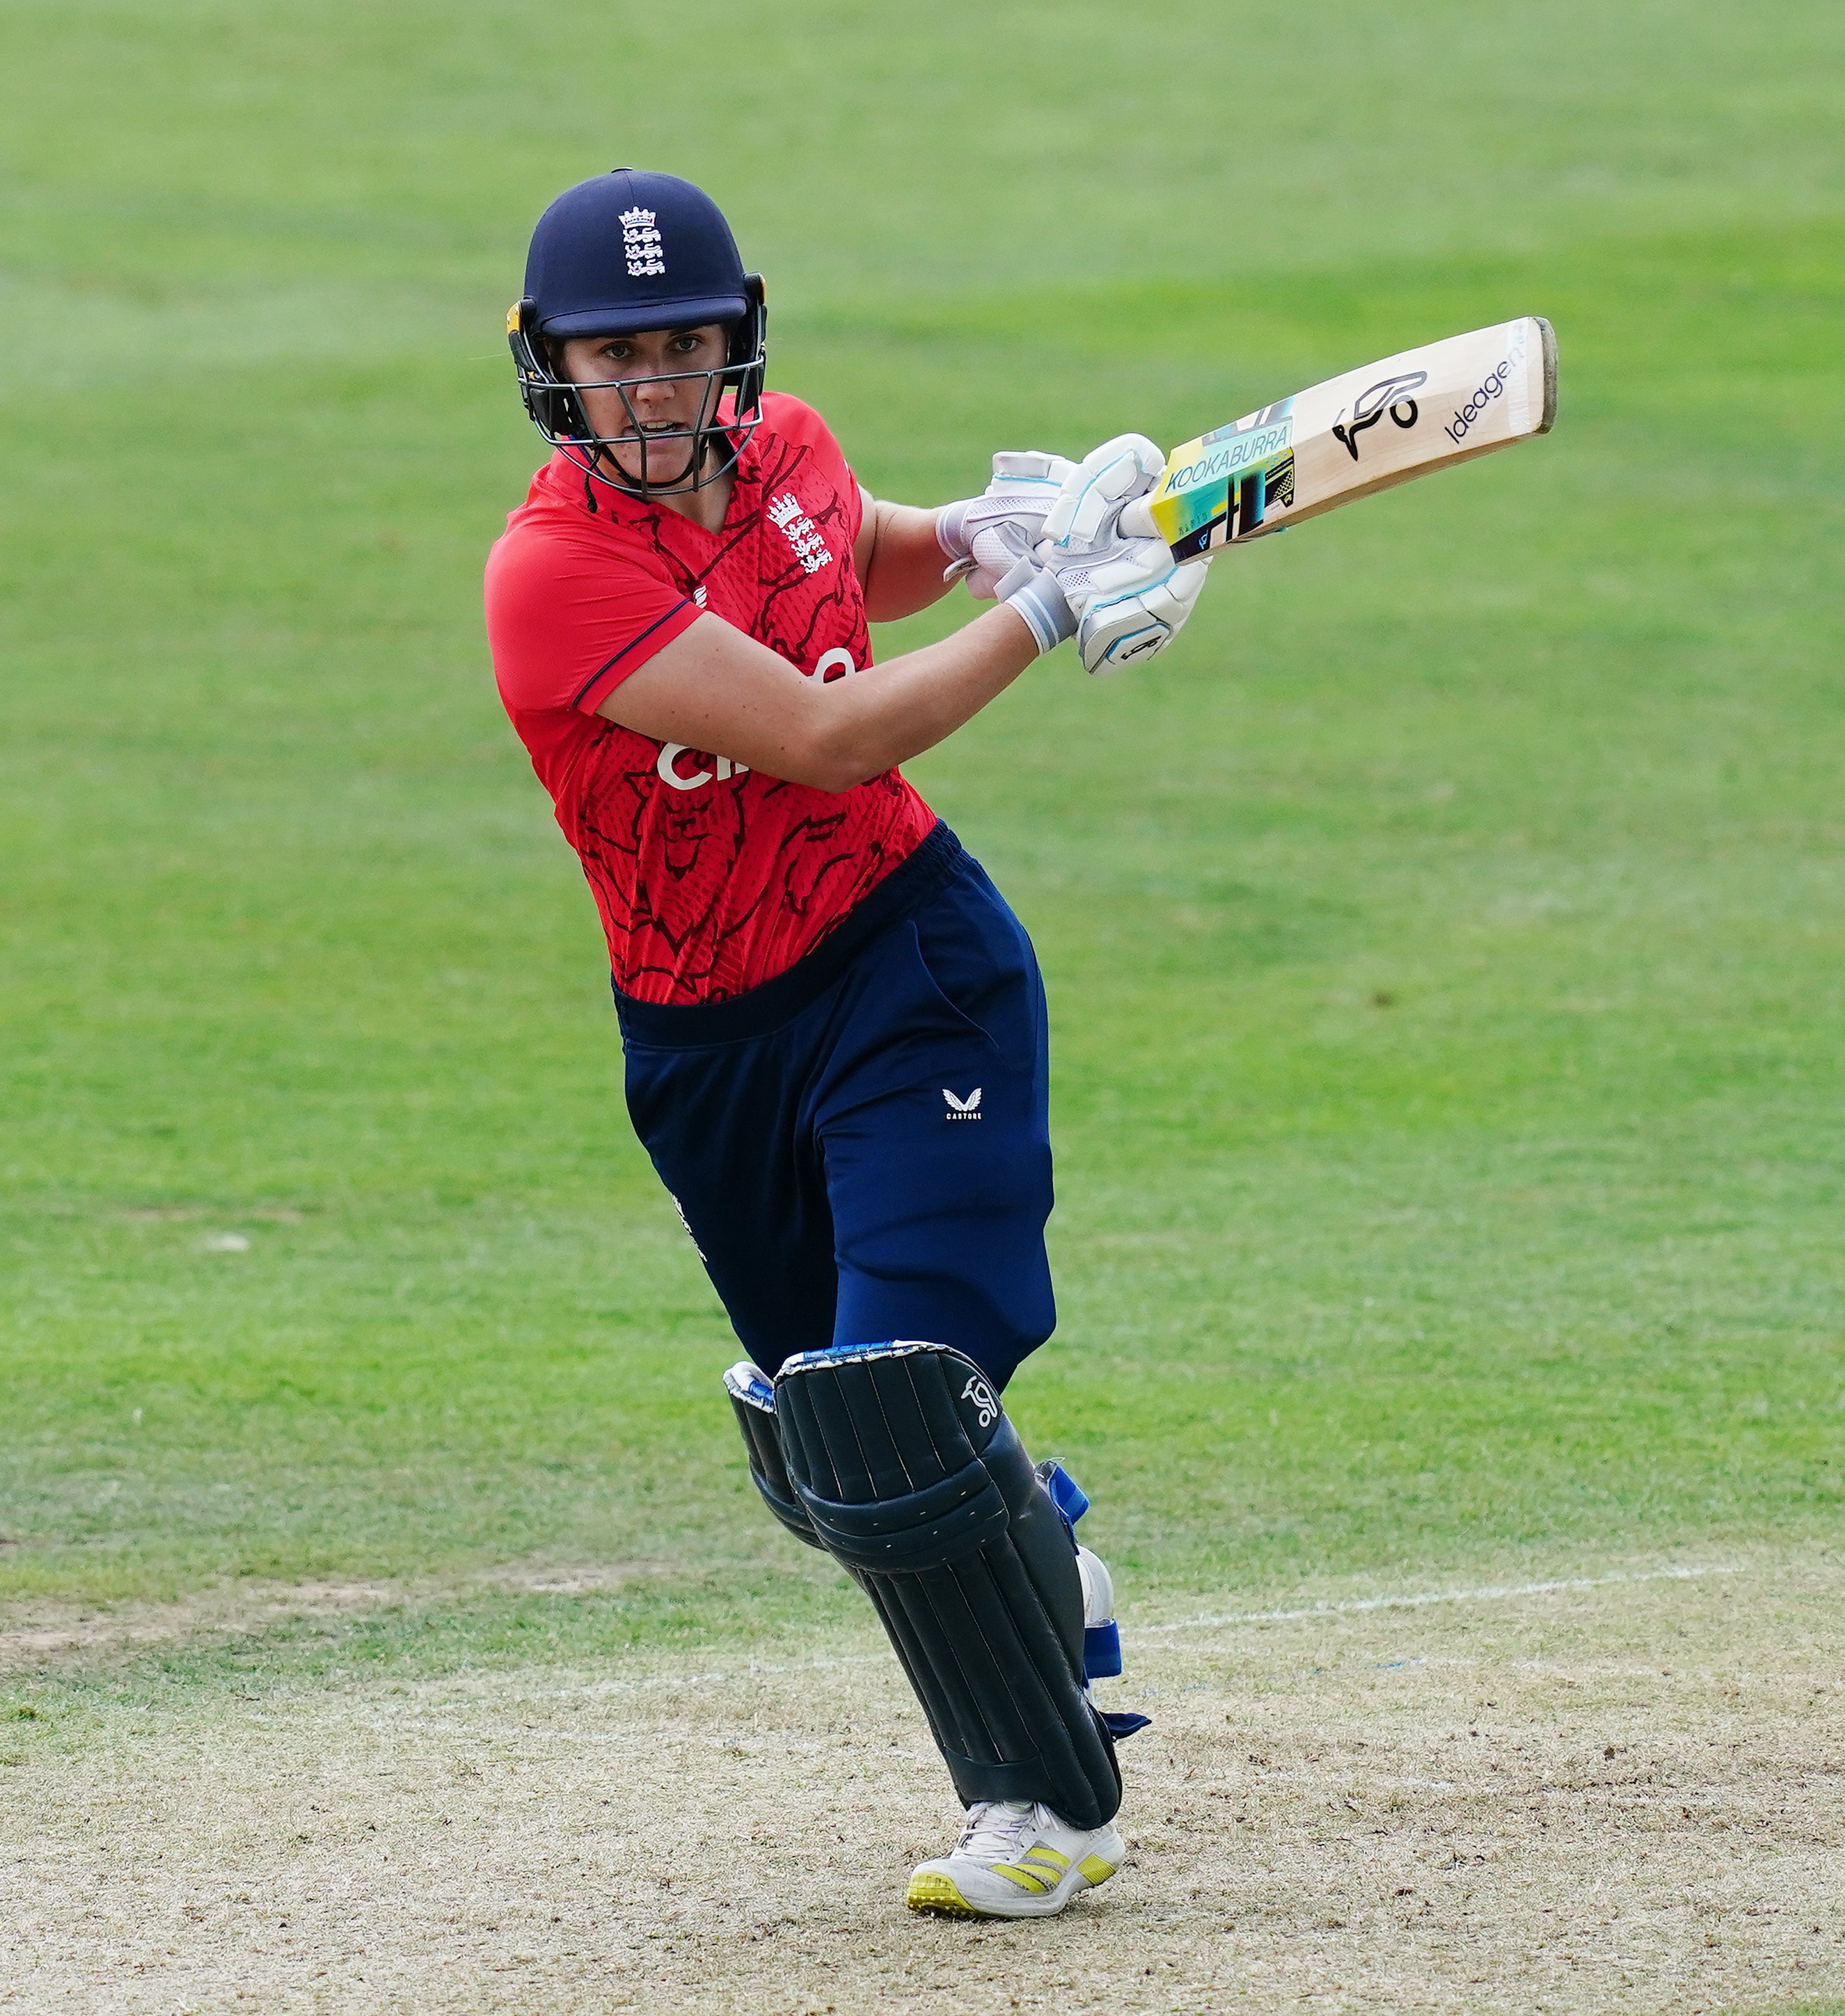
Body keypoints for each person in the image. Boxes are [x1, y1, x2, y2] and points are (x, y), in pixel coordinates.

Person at [480, 168, 1209, 1921]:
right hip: (705, 1048)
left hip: (908, 969)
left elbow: (844, 559)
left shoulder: (788, 441)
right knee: (844, 1463)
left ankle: (1042, 1806)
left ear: (738, 345)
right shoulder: (552, 579)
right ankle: (1044, 1550)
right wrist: (1046, 614)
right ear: (547, 368)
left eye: (686, 348)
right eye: (616, 359)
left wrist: (978, 537)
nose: (657, 390)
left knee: (888, 1408)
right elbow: (818, 730)